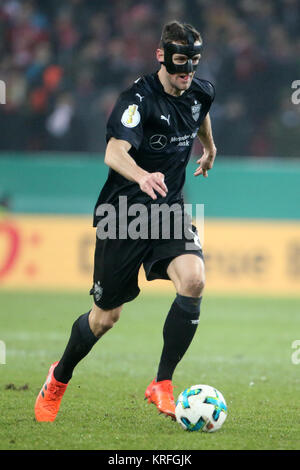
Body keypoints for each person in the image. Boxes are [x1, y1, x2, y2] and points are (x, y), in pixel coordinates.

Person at [34, 20, 217, 422]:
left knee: (194, 279)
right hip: (125, 215)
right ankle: (59, 377)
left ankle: (162, 383)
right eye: (180, 63)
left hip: (168, 210)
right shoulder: (137, 99)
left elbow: (200, 112)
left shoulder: (200, 90)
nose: (187, 72)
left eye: (193, 63)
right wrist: (141, 175)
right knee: (105, 317)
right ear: (162, 57)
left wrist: (209, 146)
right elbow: (114, 153)